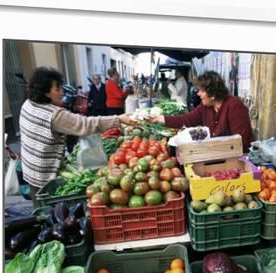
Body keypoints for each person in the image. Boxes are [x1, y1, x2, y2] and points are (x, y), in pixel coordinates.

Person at [19, 67, 135, 203]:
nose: (62, 92)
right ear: (46, 93)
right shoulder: (54, 115)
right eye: (57, 89)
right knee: (49, 212)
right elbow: (84, 124)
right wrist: (118, 119)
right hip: (45, 176)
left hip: (30, 169)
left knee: (39, 210)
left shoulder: (28, 104)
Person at [148, 71, 254, 151]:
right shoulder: (205, 107)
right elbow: (187, 119)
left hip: (238, 158)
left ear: (212, 93)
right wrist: (160, 119)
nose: (198, 94)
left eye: (202, 91)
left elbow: (241, 141)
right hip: (217, 155)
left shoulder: (234, 106)